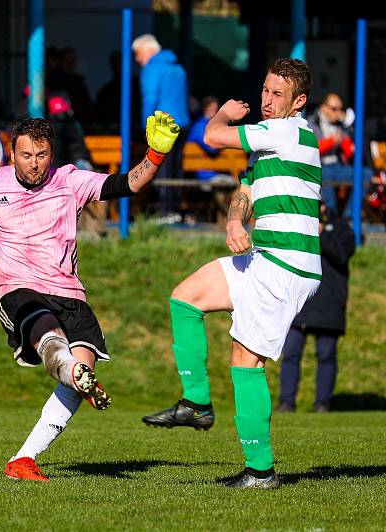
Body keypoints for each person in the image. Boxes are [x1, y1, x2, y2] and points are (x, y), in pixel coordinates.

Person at [0, 113, 181, 481]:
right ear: (12, 154)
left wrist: (156, 153)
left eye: (42, 154)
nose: (34, 163)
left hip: (67, 290)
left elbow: (129, 184)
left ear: (51, 153)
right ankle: (66, 367)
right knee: (48, 335)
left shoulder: (70, 181)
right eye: (26, 155)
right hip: (15, 289)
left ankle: (23, 459)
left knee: (82, 373)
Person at [141, 58, 321, 489]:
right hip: (265, 256)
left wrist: (221, 111)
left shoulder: (289, 129)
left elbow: (212, 136)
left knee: (245, 359)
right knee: (185, 297)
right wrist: (235, 222)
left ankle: (260, 472)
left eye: (278, 94)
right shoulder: (268, 143)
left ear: (299, 101)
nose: (267, 99)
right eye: (265, 89)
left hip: (286, 263)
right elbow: (245, 192)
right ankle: (197, 402)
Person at [278, 203, 356, 413]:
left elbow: (342, 255)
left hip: (329, 303)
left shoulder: (341, 228)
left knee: (326, 355)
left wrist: (320, 235)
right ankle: (286, 403)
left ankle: (322, 404)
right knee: (291, 353)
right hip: (299, 302)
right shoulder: (296, 225)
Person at [133, 34, 191, 217]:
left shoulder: (152, 70)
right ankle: (174, 208)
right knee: (176, 166)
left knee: (161, 166)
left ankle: (166, 211)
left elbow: (149, 99)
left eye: (138, 53)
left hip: (163, 126)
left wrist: (146, 127)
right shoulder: (178, 68)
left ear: (149, 51)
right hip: (182, 123)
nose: (137, 59)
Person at [186, 96, 221, 183]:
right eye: (213, 109)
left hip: (211, 171)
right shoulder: (200, 126)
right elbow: (211, 146)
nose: (215, 112)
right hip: (203, 173)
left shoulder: (205, 125)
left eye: (216, 109)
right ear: (206, 109)